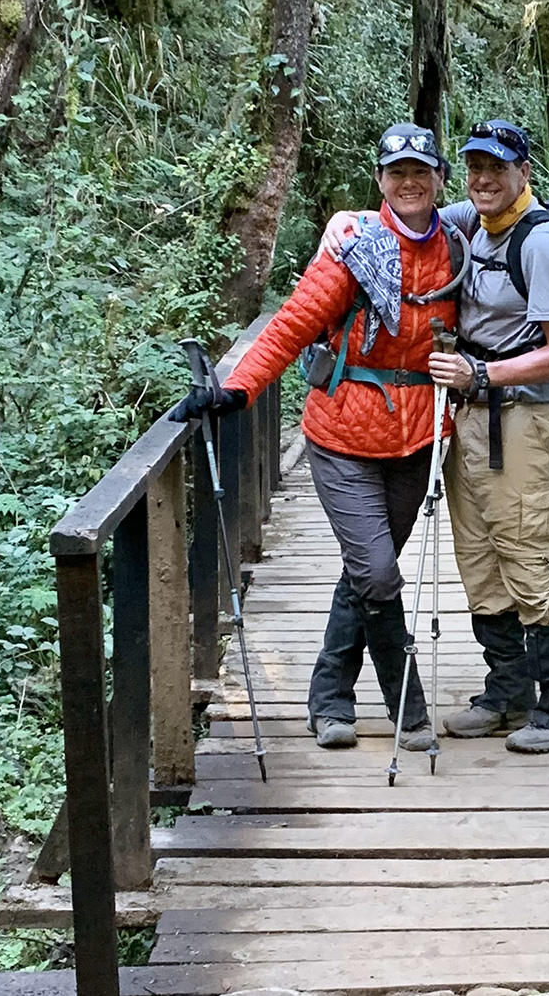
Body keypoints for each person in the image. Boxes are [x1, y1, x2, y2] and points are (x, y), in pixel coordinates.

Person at [170, 125, 460, 751]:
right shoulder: (353, 244)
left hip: (421, 438)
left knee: (366, 570)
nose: (408, 183)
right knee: (379, 571)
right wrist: (237, 389)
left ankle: (328, 699)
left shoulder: (459, 247)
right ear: (380, 179)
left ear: (439, 179)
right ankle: (408, 711)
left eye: (421, 171)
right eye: (395, 173)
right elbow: (292, 324)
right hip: (343, 434)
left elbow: (506, 222)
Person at [323, 119, 549, 755]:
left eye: (499, 167)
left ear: (525, 172)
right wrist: (347, 221)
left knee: (528, 557)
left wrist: (484, 372)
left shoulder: (544, 243)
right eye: (475, 166)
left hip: (527, 418)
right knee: (479, 560)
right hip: (473, 416)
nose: (485, 178)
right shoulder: (473, 223)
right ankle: (507, 692)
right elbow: (404, 210)